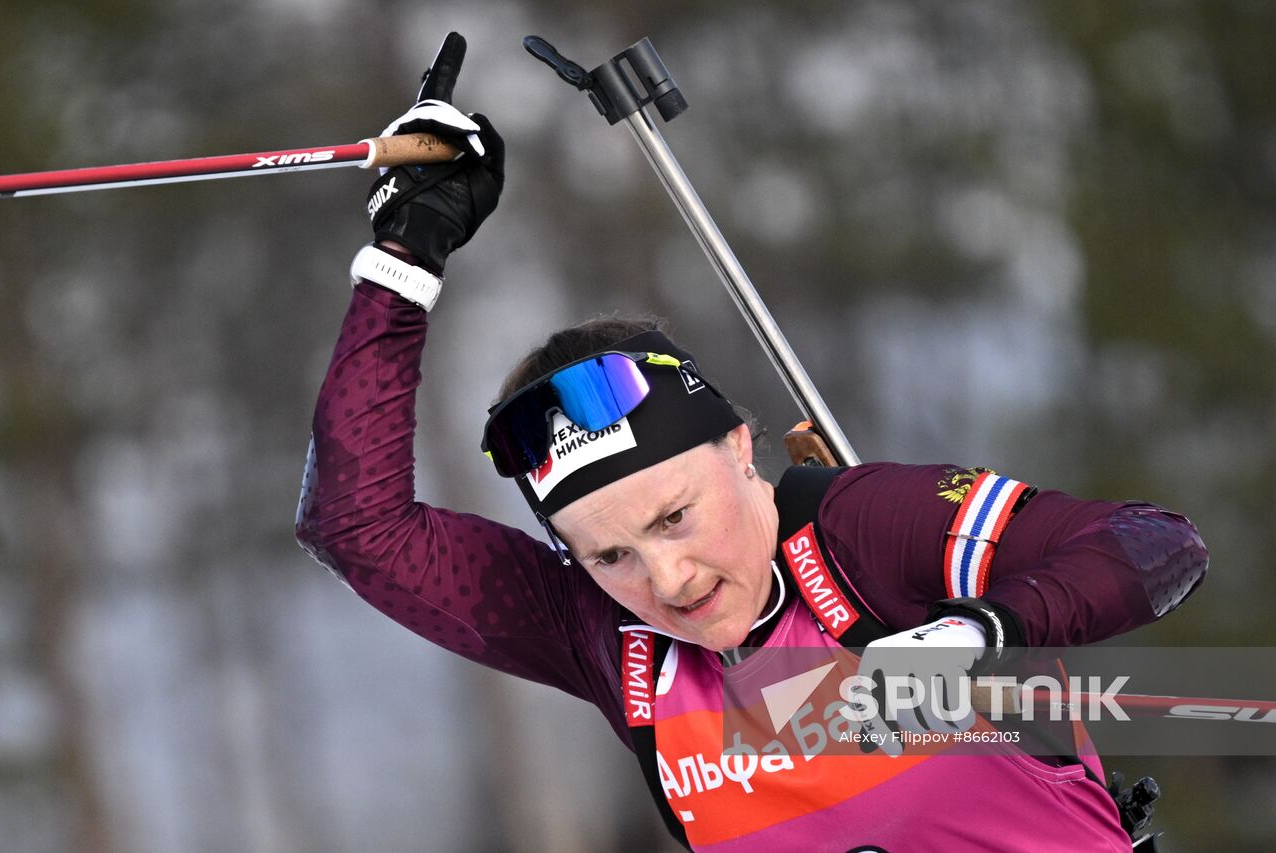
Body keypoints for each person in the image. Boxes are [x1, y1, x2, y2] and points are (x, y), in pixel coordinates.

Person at [296, 35, 1209, 852]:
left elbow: (1155, 543)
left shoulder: (861, 536)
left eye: (676, 516)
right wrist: (404, 253)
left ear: (739, 447)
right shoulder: (602, 634)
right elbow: (356, 528)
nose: (670, 581)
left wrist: (975, 628)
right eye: (610, 552)